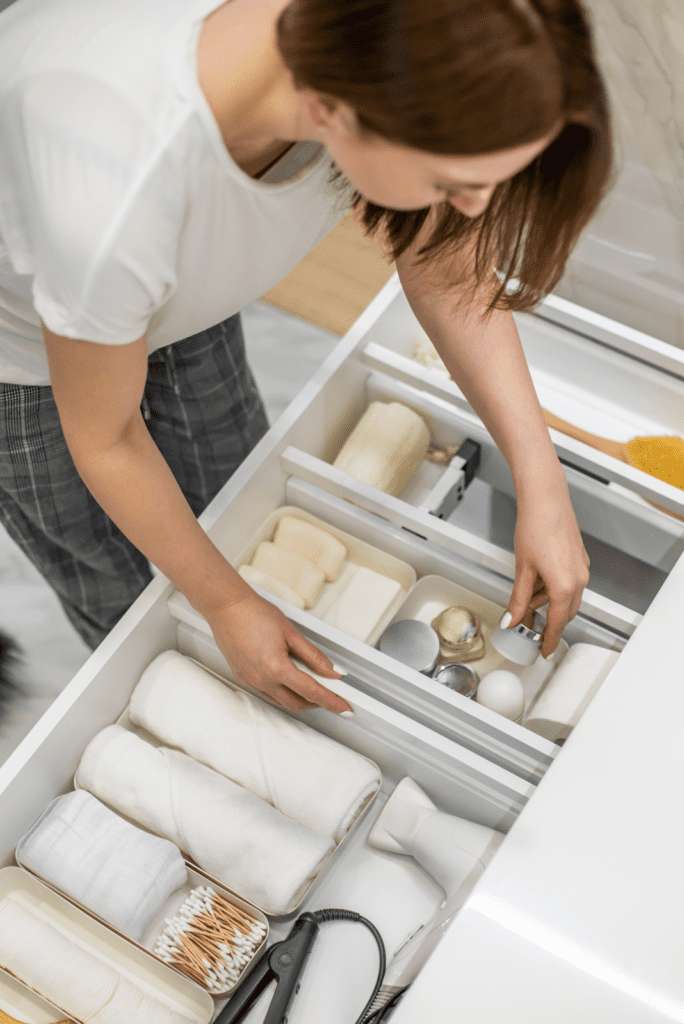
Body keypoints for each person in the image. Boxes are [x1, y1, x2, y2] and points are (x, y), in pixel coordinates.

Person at [0, 0, 610, 713]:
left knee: (234, 493)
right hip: (21, 355)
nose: (473, 208)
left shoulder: (380, 41)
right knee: (122, 582)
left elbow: (446, 268)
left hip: (162, 288)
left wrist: (542, 482)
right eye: (450, 184)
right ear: (331, 111)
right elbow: (104, 442)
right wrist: (225, 607)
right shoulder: (119, 185)